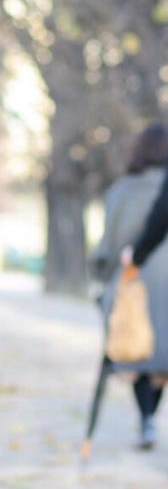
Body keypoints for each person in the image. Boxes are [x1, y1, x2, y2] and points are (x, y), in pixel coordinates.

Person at [90, 123, 168, 449]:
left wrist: (100, 275)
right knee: (161, 356)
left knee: (138, 351)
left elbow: (108, 247)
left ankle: (146, 417)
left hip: (133, 282)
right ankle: (150, 417)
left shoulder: (122, 191)